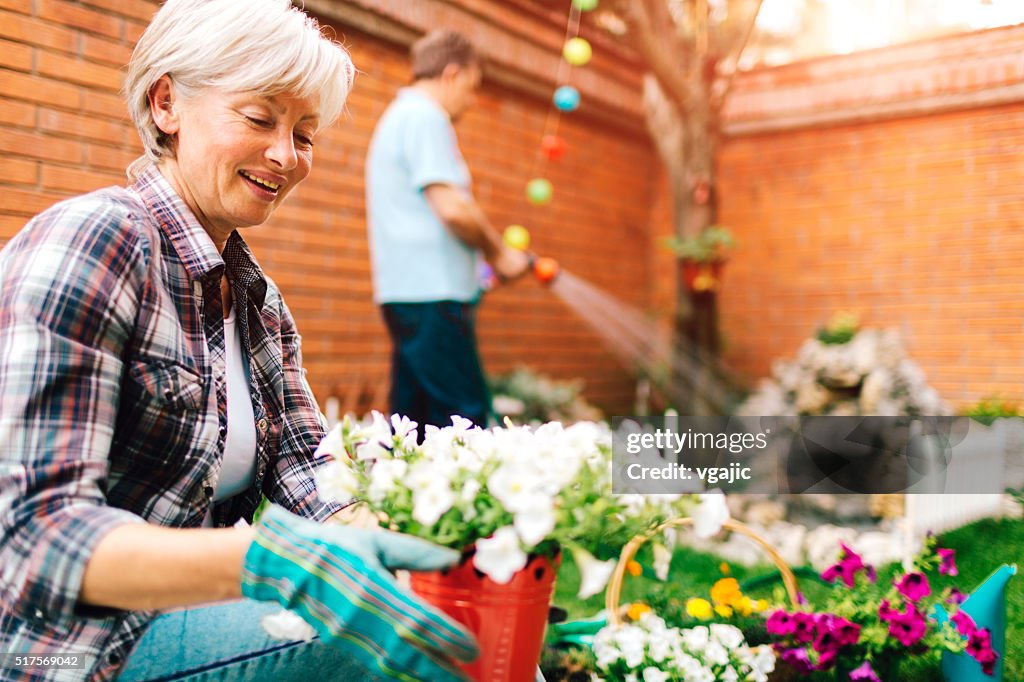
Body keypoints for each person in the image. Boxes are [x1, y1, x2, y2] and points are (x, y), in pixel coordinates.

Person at [0, 1, 476, 680]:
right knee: (373, 656)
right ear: (167, 103)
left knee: (458, 631)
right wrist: (268, 561)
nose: (285, 155)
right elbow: (33, 537)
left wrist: (456, 578)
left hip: (187, 620)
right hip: (65, 651)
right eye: (259, 118)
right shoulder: (94, 243)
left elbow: (315, 482)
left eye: (305, 133)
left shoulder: (258, 304)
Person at [365, 30, 531, 431]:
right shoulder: (425, 116)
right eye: (472, 88)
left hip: (408, 294)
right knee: (465, 423)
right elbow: (454, 209)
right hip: (433, 298)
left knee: (413, 427)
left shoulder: (400, 117)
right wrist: (500, 254)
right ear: (452, 74)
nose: (471, 102)